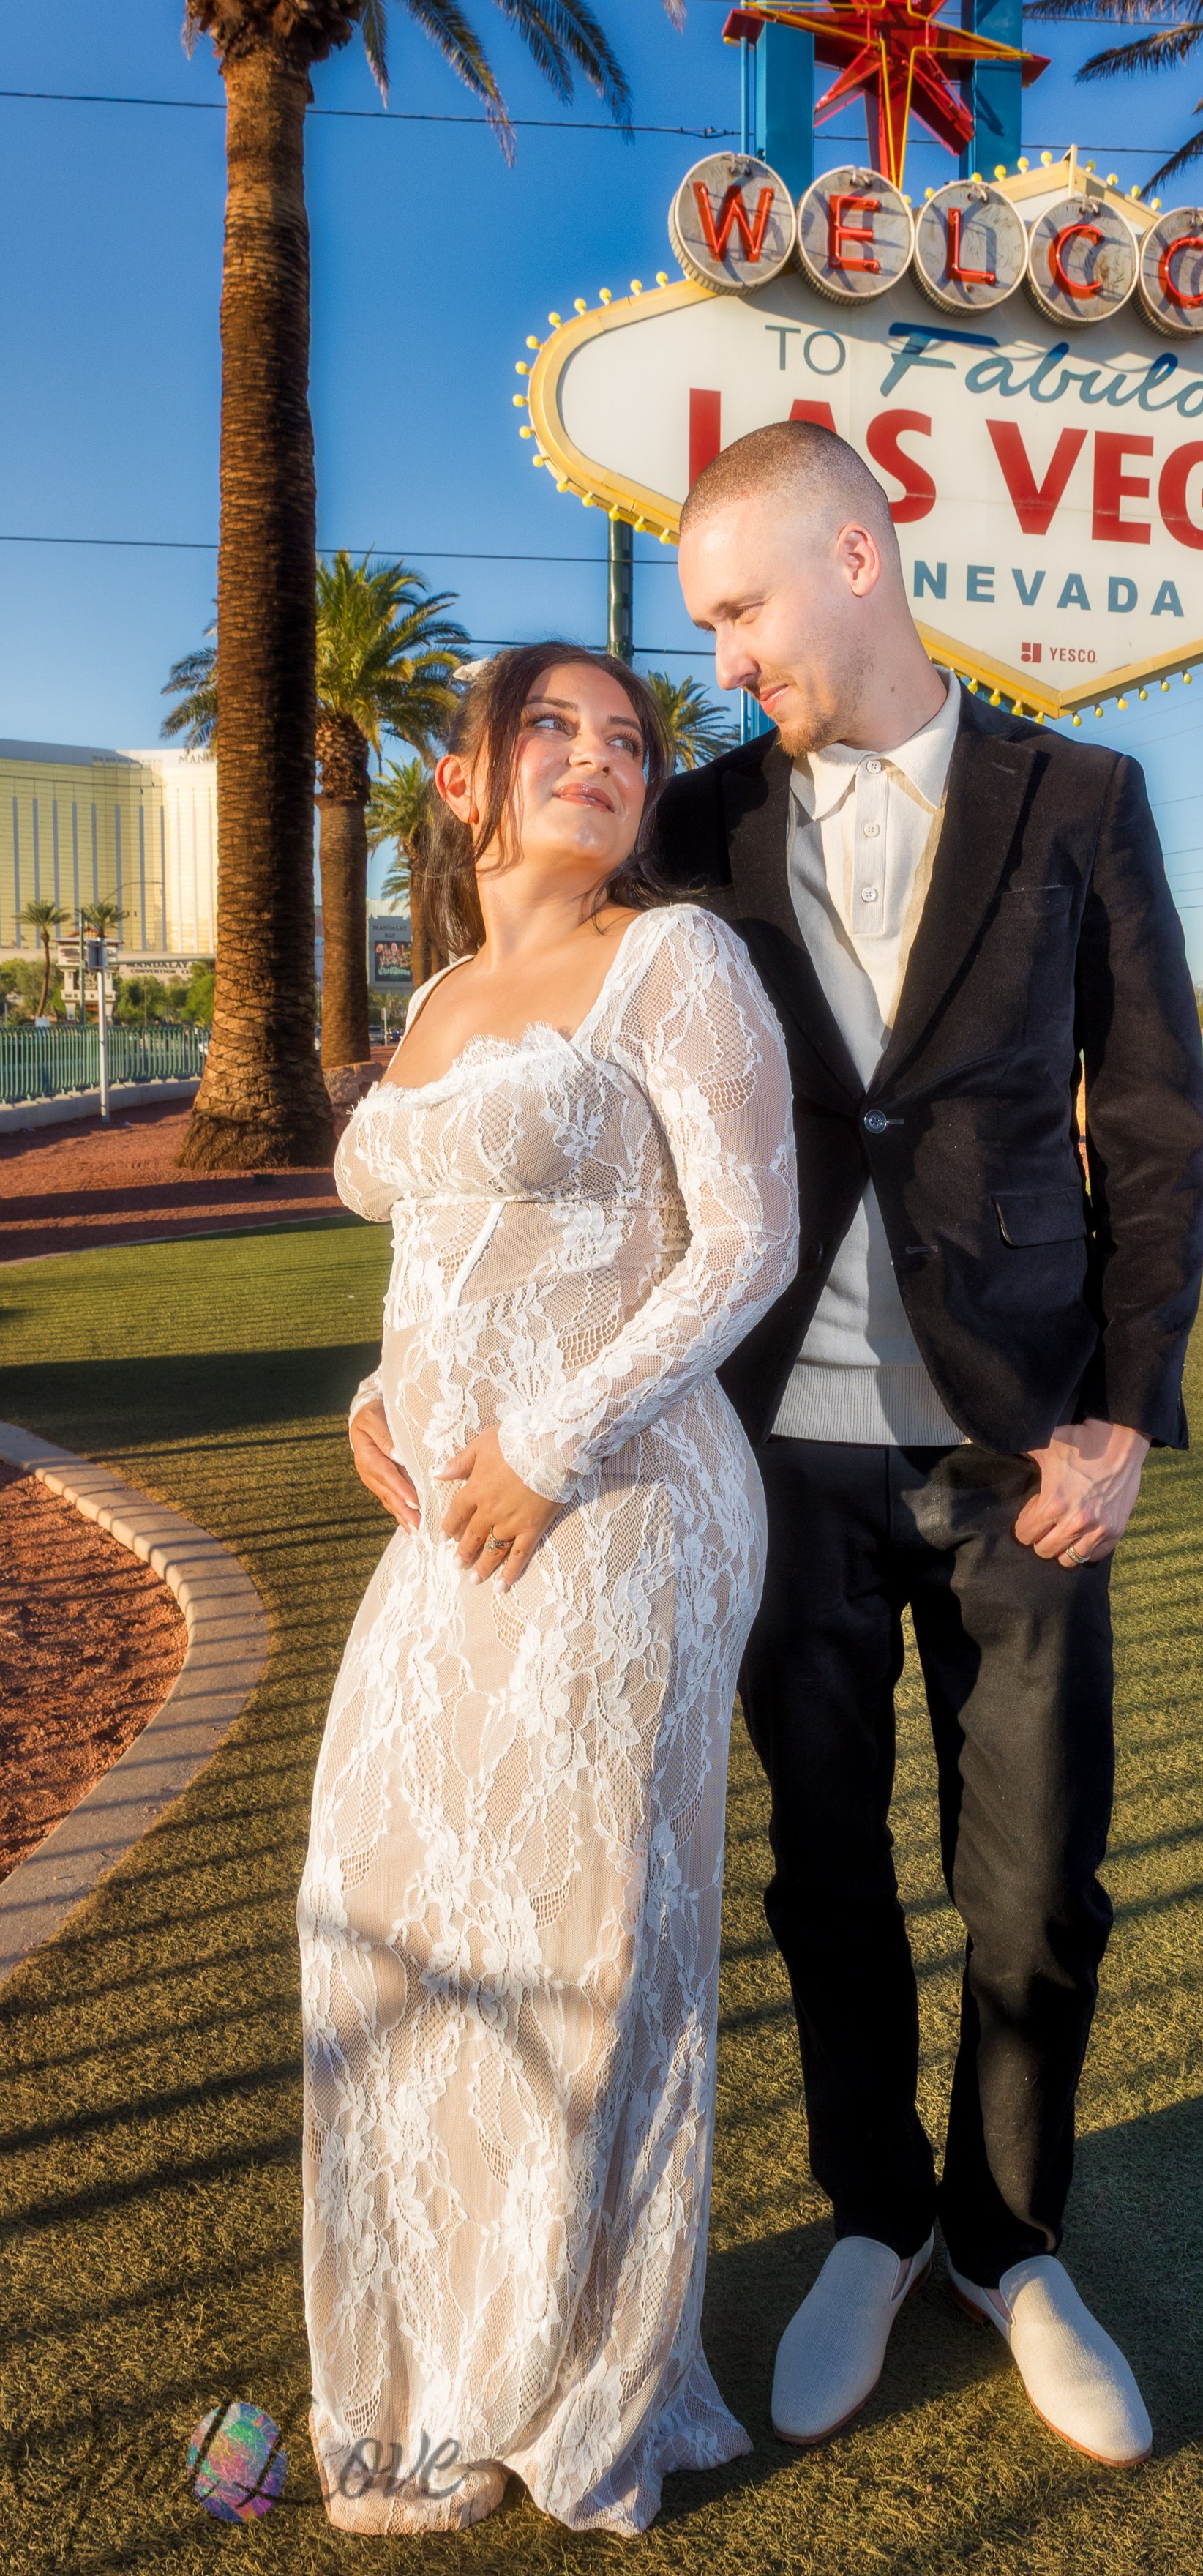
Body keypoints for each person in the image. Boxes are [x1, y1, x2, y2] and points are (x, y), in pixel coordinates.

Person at [656, 422, 1203, 2468]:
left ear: (859, 558)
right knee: (821, 1876)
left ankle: (1009, 2238)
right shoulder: (698, 828)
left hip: (1017, 1459)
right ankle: (872, 2222)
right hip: (774, 1461)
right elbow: (575, 1079)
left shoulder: (1084, 799)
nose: (722, 659)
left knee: (1038, 1879)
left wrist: (1125, 1413)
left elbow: (1146, 1126)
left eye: (738, 610)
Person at [299, 643, 798, 2536]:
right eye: (551, 732)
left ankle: (576, 2388)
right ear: (462, 786)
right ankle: (434, 2360)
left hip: (623, 1503)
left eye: (626, 739)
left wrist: (549, 1447)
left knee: (584, 1939)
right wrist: (383, 1397)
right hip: (446, 1516)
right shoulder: (436, 996)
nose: (597, 760)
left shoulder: (675, 963)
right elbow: (441, 1250)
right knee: (390, 1903)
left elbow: (744, 1243)